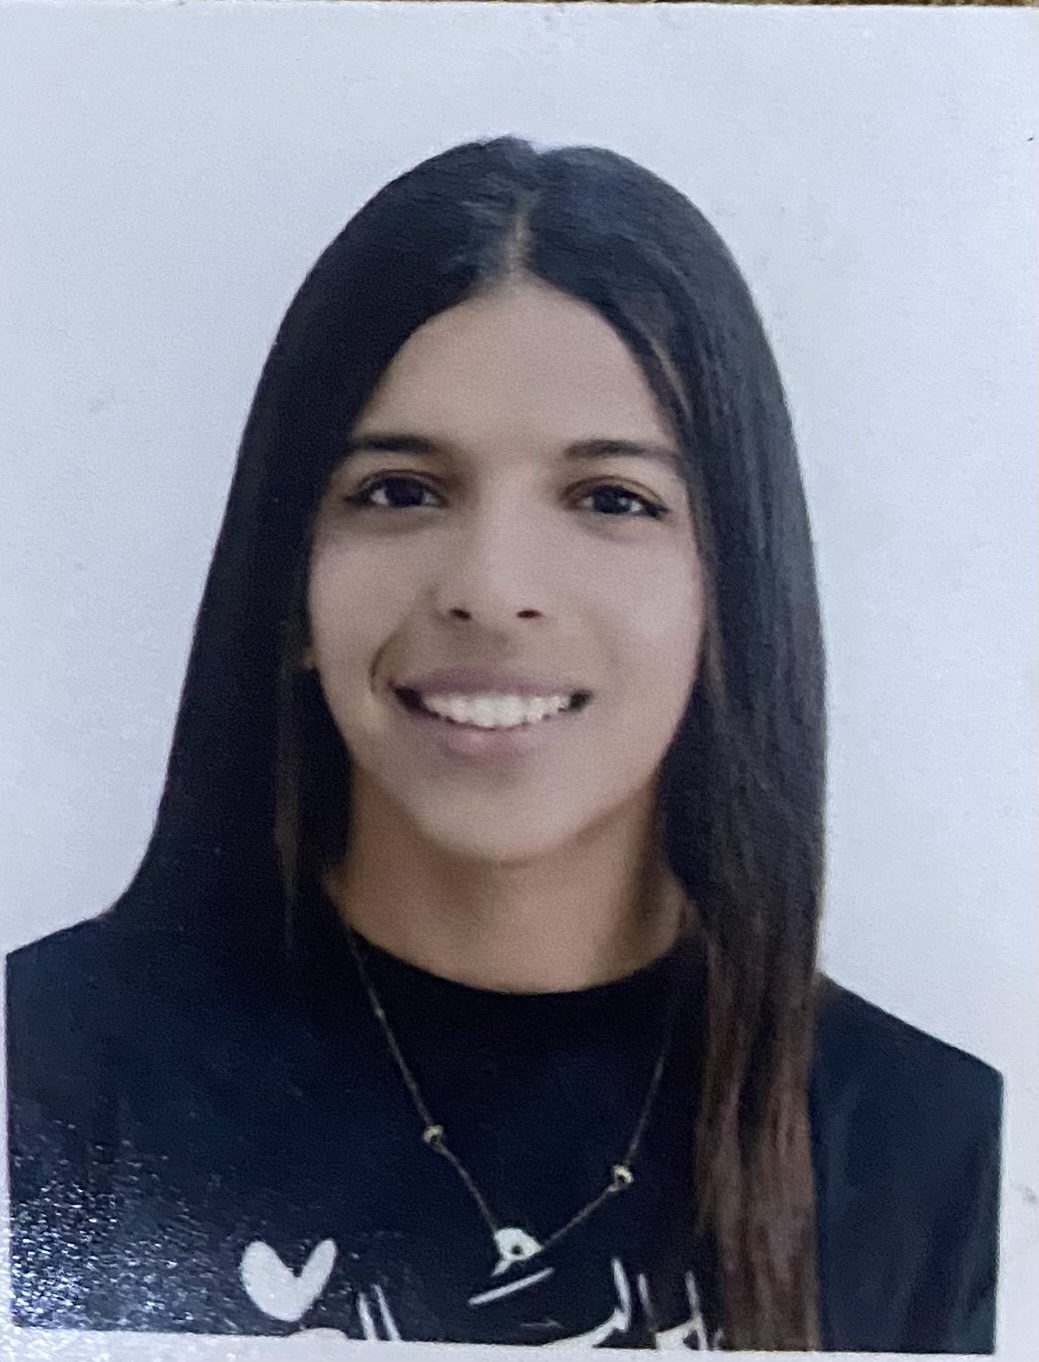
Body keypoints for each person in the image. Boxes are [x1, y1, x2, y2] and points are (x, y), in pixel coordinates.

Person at [5, 136, 1002, 1352]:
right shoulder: (41, 1075)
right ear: (288, 581)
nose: (490, 588)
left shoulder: (940, 1147)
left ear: (733, 593)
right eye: (400, 491)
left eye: (611, 499)